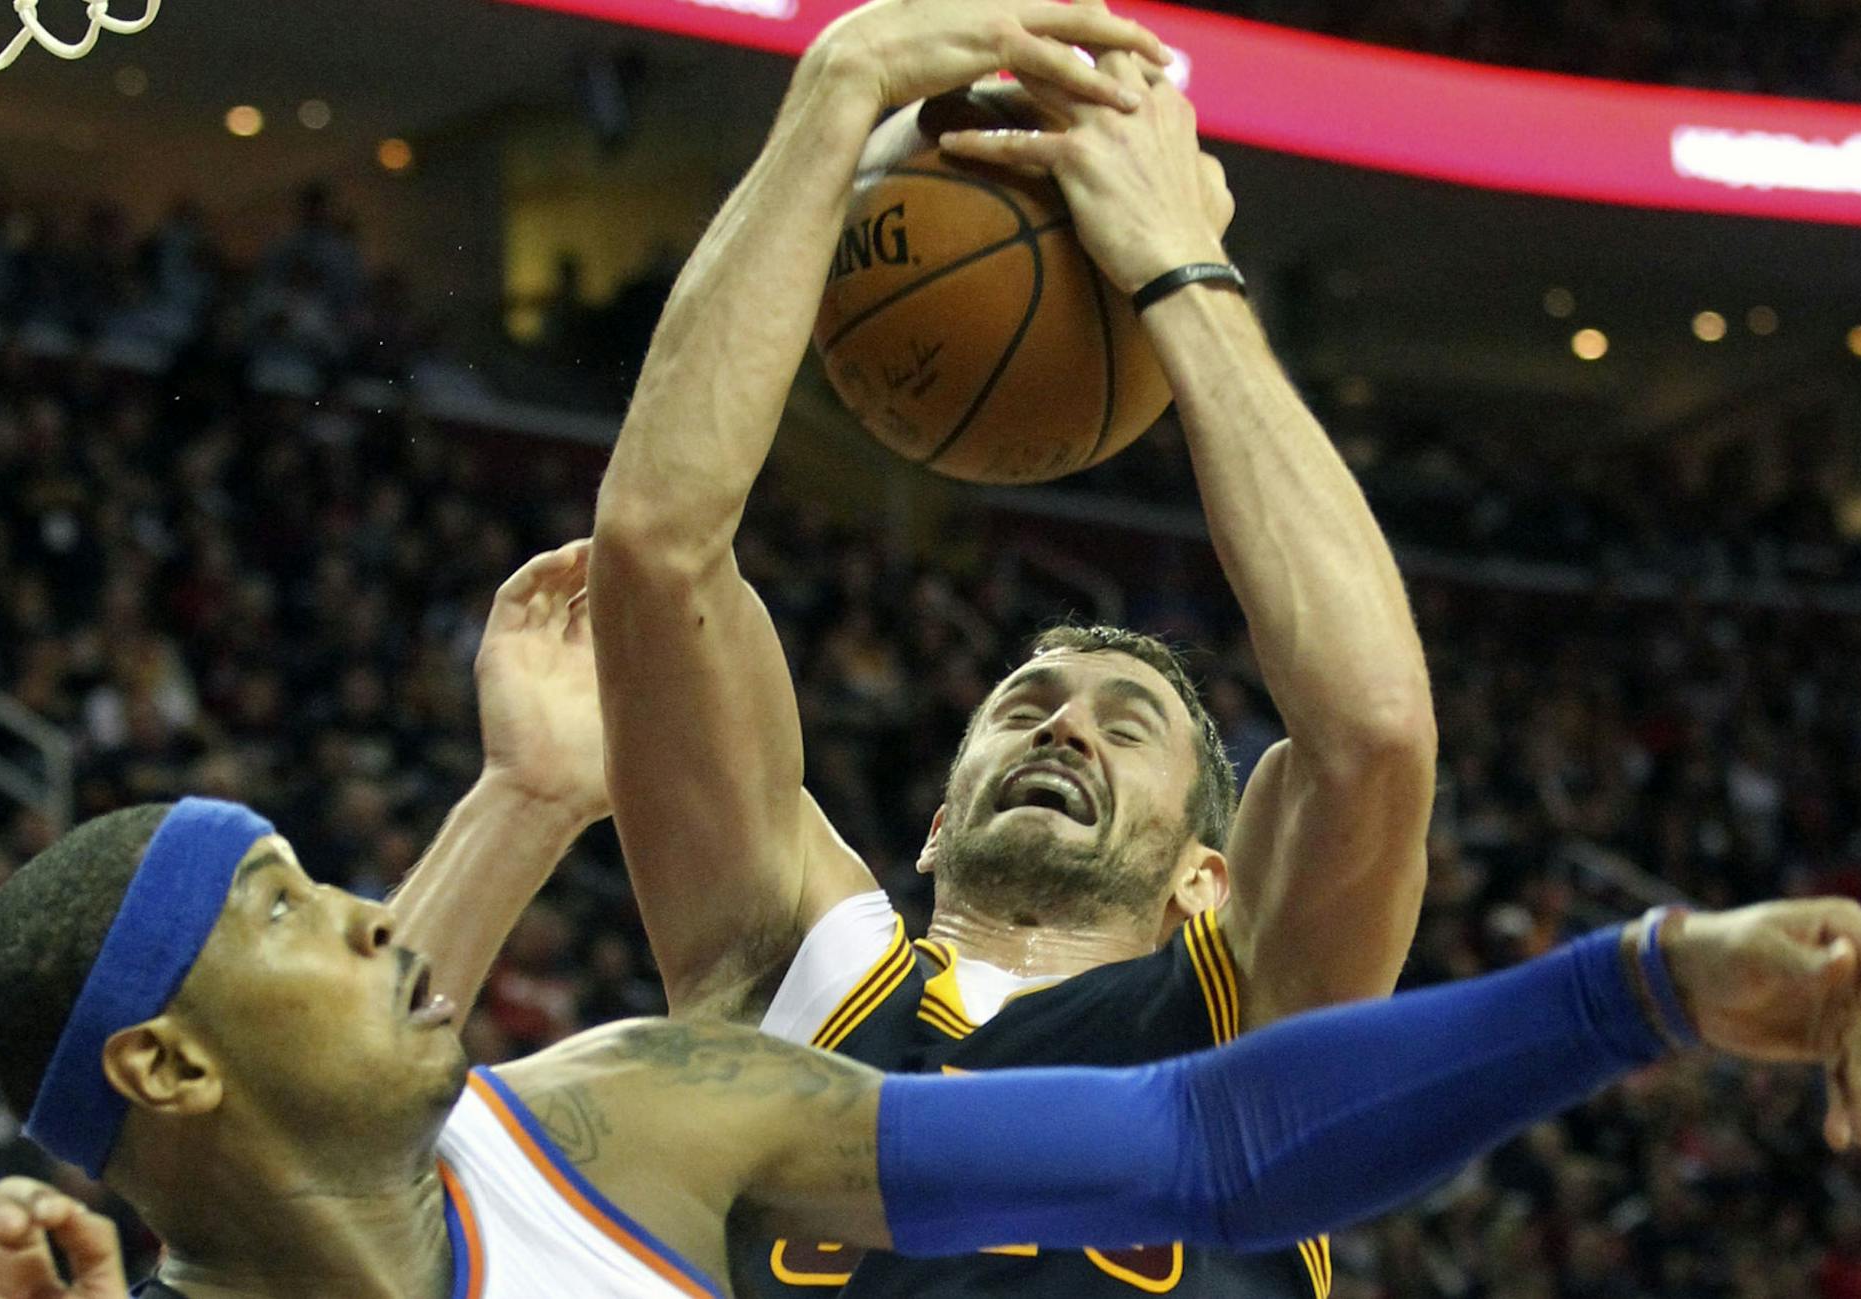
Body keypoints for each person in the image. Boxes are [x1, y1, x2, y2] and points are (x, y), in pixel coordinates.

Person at [588, 0, 1433, 1290]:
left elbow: (1371, 732)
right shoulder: (796, 978)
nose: (1064, 724)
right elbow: (656, 553)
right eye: (1027, 702)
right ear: (932, 829)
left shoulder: (1255, 1031)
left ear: (1206, 880)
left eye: (1125, 722)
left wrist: (1172, 263)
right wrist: (840, 89)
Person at [0, 791, 1861, 1299]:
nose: (369, 907)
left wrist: (1635, 983)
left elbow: (1195, 1146)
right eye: (277, 905)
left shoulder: (627, 1113)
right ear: (164, 1068)